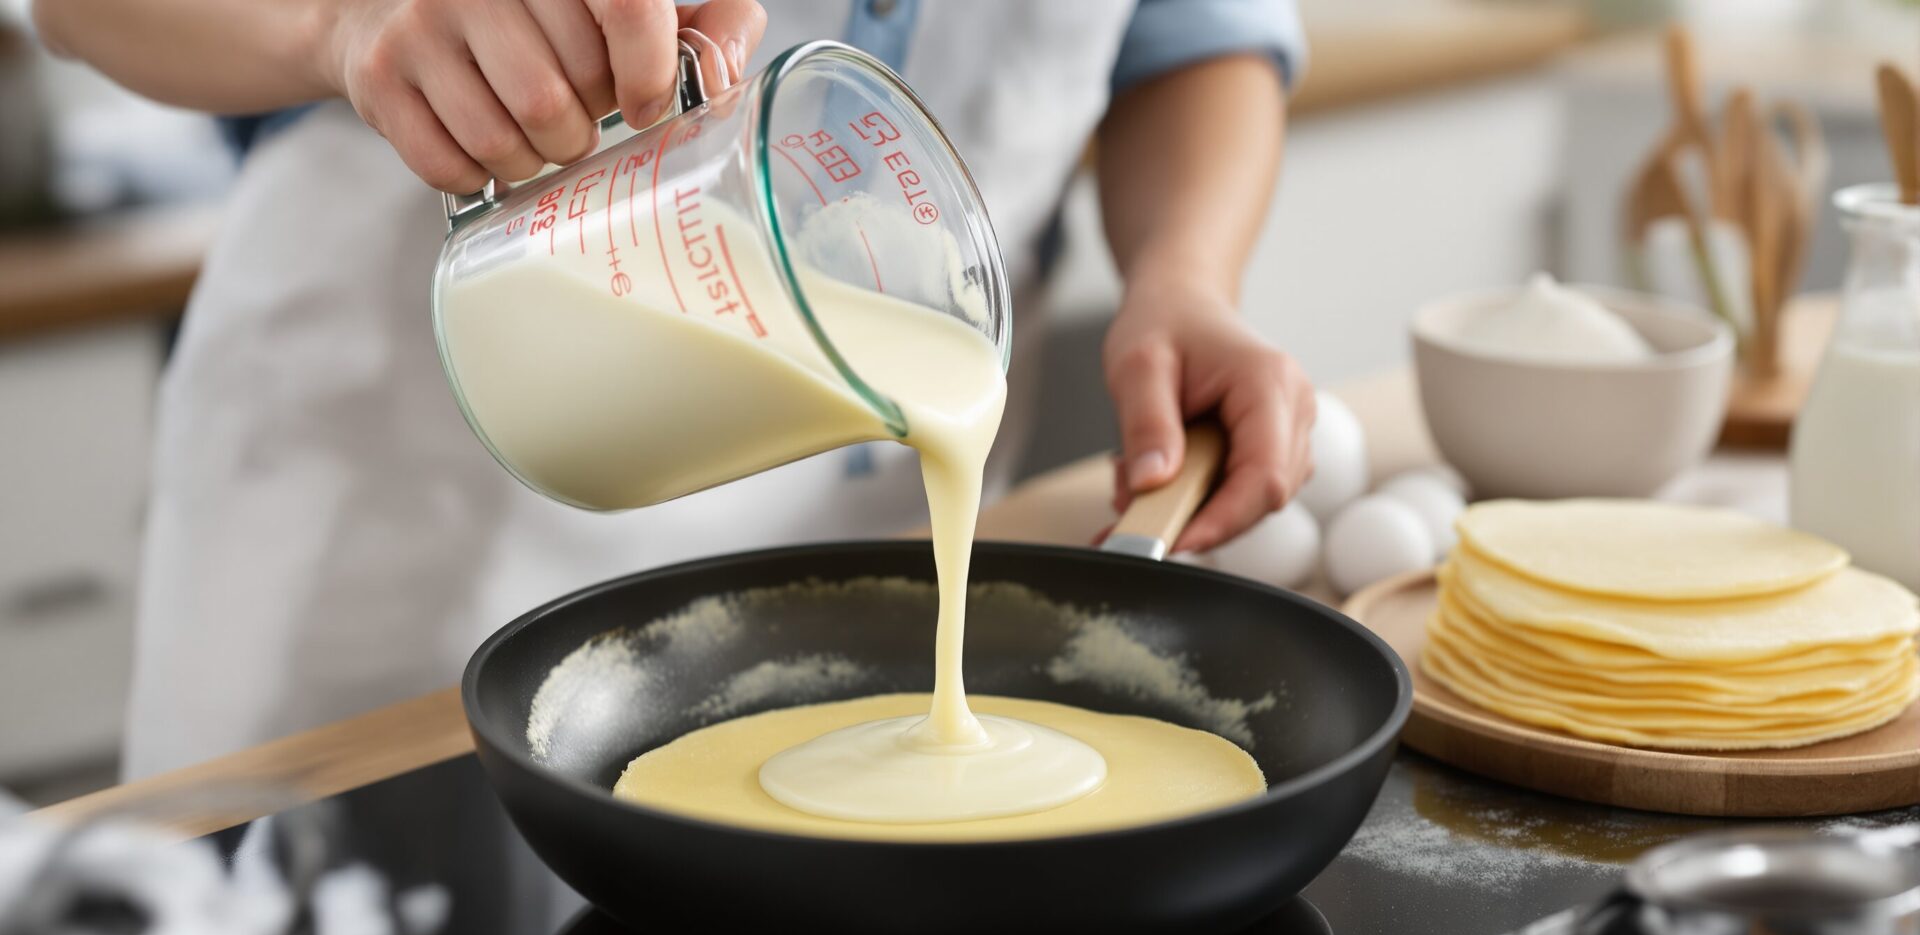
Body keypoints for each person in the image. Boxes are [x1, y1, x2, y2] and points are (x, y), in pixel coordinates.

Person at [34, 0, 1316, 778]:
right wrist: (342, 22)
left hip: (865, 510)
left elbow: (1183, 36)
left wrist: (1186, 272)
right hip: (401, 525)